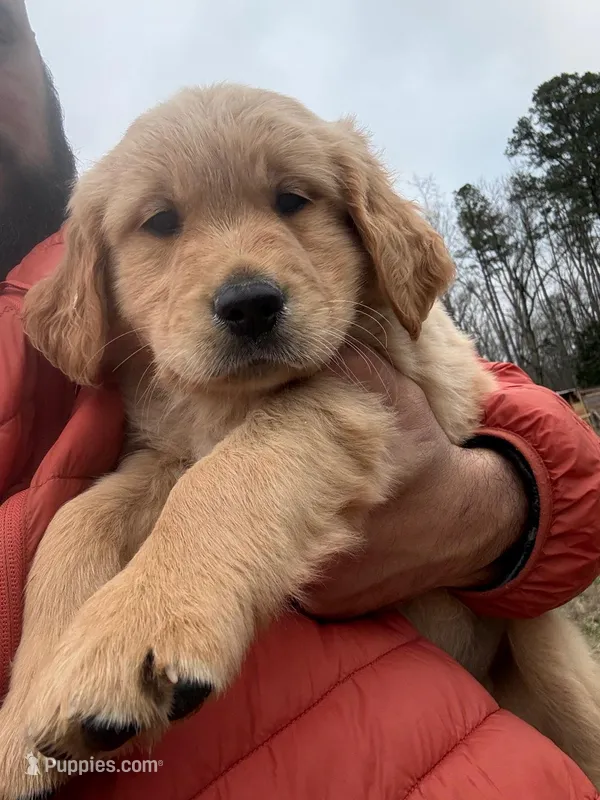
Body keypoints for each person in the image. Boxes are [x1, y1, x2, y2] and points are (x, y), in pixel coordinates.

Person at [1, 2, 599, 798]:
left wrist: (509, 494)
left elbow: (424, 416)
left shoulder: (358, 314)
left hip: (505, 692)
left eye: (290, 201)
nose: (243, 280)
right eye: (164, 221)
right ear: (95, 277)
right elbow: (149, 476)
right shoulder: (104, 313)